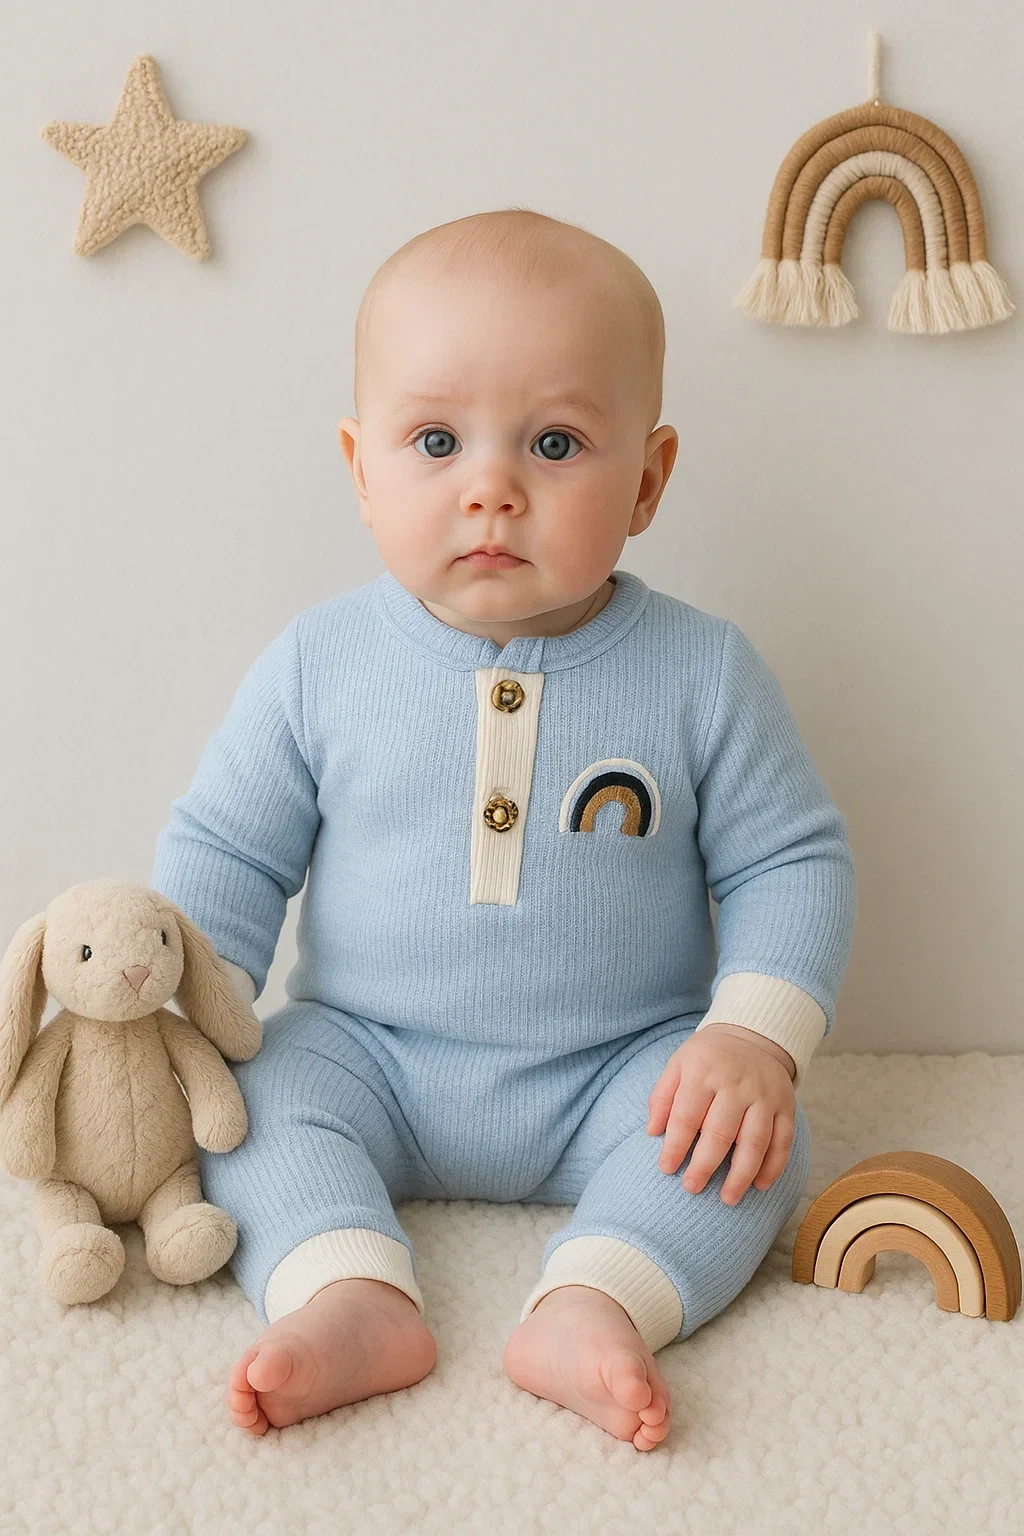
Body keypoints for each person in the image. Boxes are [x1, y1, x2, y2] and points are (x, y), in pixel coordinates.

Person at [150, 207, 856, 1450]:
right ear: (361, 469)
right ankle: (345, 1287)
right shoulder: (319, 664)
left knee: (752, 1147)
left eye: (555, 443)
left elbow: (789, 861)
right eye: (435, 441)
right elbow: (227, 855)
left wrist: (752, 1037)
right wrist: (179, 1026)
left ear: (647, 481)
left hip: (621, 1071)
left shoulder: (701, 672)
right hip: (366, 1054)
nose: (492, 488)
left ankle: (598, 1300)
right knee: (243, 1106)